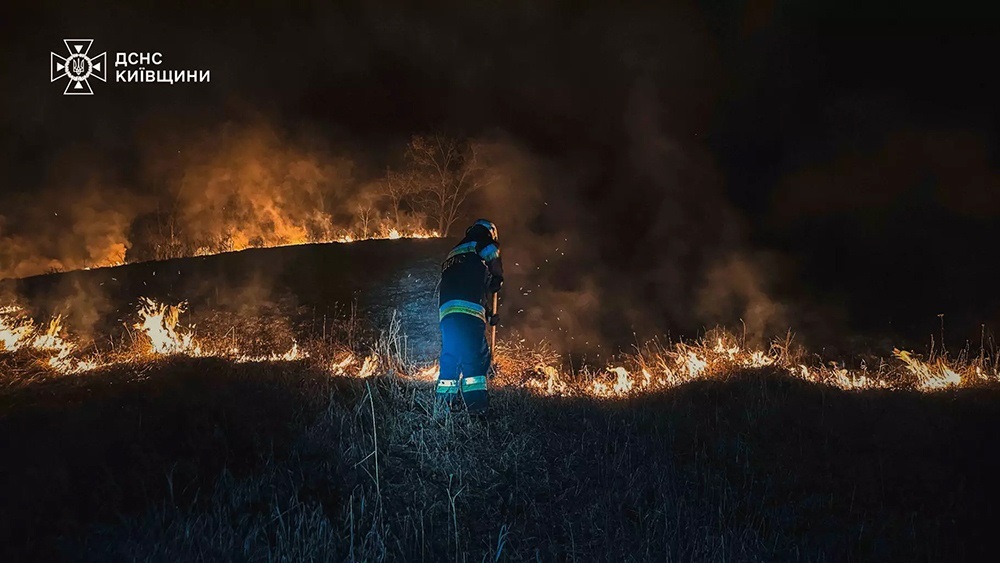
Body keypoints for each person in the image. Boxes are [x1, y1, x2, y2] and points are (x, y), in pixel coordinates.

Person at [436, 219, 503, 413]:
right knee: (475, 357)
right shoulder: (481, 241)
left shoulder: (454, 252)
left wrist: (489, 314)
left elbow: (468, 285)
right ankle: (477, 409)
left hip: (447, 313)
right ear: (489, 232)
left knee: (451, 356)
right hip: (469, 311)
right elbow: (492, 253)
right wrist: (498, 276)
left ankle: (443, 407)